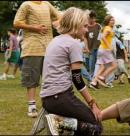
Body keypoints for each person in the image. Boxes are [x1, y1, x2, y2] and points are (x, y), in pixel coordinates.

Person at [40, 7, 102, 135]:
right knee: (95, 127)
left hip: (47, 99)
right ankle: (58, 123)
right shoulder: (73, 44)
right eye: (84, 26)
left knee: (82, 124)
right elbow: (77, 79)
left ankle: (59, 124)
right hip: (60, 97)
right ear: (75, 24)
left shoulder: (55, 40)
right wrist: (92, 103)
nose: (86, 30)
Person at [13, 1, 61, 117]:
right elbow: (16, 23)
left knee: (50, 79)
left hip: (49, 47)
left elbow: (60, 17)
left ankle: (50, 106)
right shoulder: (26, 5)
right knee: (32, 79)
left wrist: (57, 23)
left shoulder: (47, 4)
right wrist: (34, 28)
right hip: (32, 47)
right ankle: (32, 107)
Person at [89, 15, 117, 89]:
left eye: (114, 20)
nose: (113, 21)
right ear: (108, 21)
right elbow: (103, 37)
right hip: (105, 50)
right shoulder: (108, 29)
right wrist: (109, 46)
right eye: (111, 20)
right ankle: (102, 77)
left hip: (101, 50)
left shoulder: (105, 28)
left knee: (102, 67)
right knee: (114, 65)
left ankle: (94, 82)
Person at [86, 10, 102, 77]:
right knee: (91, 65)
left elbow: (102, 36)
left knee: (99, 65)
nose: (92, 19)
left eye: (93, 18)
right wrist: (86, 48)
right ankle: (90, 80)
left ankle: (97, 79)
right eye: (90, 18)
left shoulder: (98, 26)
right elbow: (85, 38)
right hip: (91, 49)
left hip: (99, 48)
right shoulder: (86, 27)